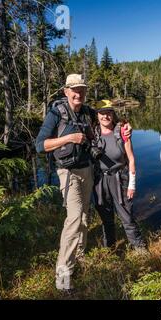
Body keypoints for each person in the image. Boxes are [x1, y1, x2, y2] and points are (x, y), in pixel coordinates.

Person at [35, 74, 132, 292]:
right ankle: (63, 276)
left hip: (87, 169)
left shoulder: (87, 111)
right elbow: (40, 145)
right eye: (74, 89)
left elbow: (107, 117)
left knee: (85, 216)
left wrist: (125, 127)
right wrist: (69, 138)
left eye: (82, 89)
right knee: (74, 218)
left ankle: (79, 255)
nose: (78, 93)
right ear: (66, 92)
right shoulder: (56, 113)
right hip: (67, 172)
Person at [92, 100, 148, 254]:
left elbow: (131, 159)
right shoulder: (92, 132)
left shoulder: (122, 132)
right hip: (100, 181)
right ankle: (109, 249)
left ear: (113, 114)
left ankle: (139, 247)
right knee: (106, 218)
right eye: (102, 113)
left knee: (127, 217)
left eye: (108, 112)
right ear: (97, 115)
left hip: (119, 179)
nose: (105, 116)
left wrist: (132, 185)